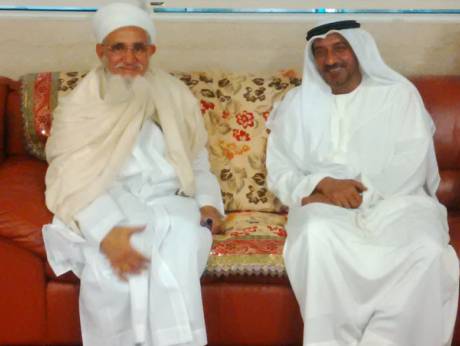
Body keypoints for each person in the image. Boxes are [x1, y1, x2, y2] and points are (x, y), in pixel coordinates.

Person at [266, 19, 459, 346]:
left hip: (398, 202)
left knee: (426, 249)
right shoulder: (296, 104)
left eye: (340, 48)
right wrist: (323, 183)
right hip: (324, 209)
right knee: (315, 235)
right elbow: (280, 170)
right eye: (321, 52)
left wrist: (354, 194)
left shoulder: (398, 95)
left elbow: (409, 164)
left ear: (359, 49)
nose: (330, 60)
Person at [42, 2, 224, 346]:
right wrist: (104, 228)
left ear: (151, 50)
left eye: (138, 47)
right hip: (107, 200)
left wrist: (209, 202)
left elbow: (197, 160)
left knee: (184, 239)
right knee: (114, 261)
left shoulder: (174, 94)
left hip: (170, 200)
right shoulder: (82, 103)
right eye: (118, 48)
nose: (129, 57)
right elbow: (68, 176)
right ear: (101, 52)